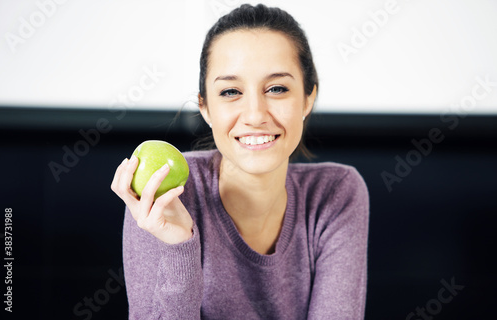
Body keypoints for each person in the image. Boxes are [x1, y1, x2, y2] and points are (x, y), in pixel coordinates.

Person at [111, 3, 369, 319]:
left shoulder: (336, 193)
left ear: (307, 99)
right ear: (205, 107)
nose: (255, 115)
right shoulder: (163, 195)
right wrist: (179, 246)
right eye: (231, 91)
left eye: (276, 88)